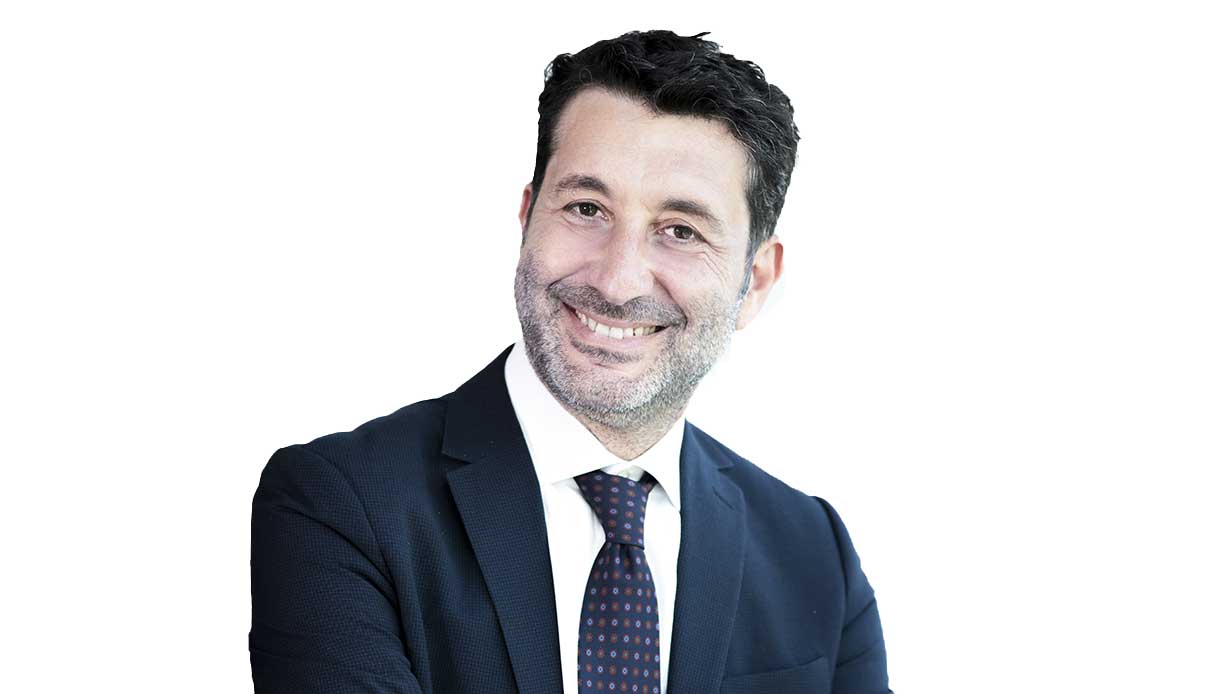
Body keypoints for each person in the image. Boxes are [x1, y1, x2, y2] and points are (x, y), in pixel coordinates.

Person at [250, 29, 891, 694]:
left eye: (681, 231)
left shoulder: (813, 553)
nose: (616, 281)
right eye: (586, 209)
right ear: (528, 217)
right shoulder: (342, 505)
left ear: (754, 281)